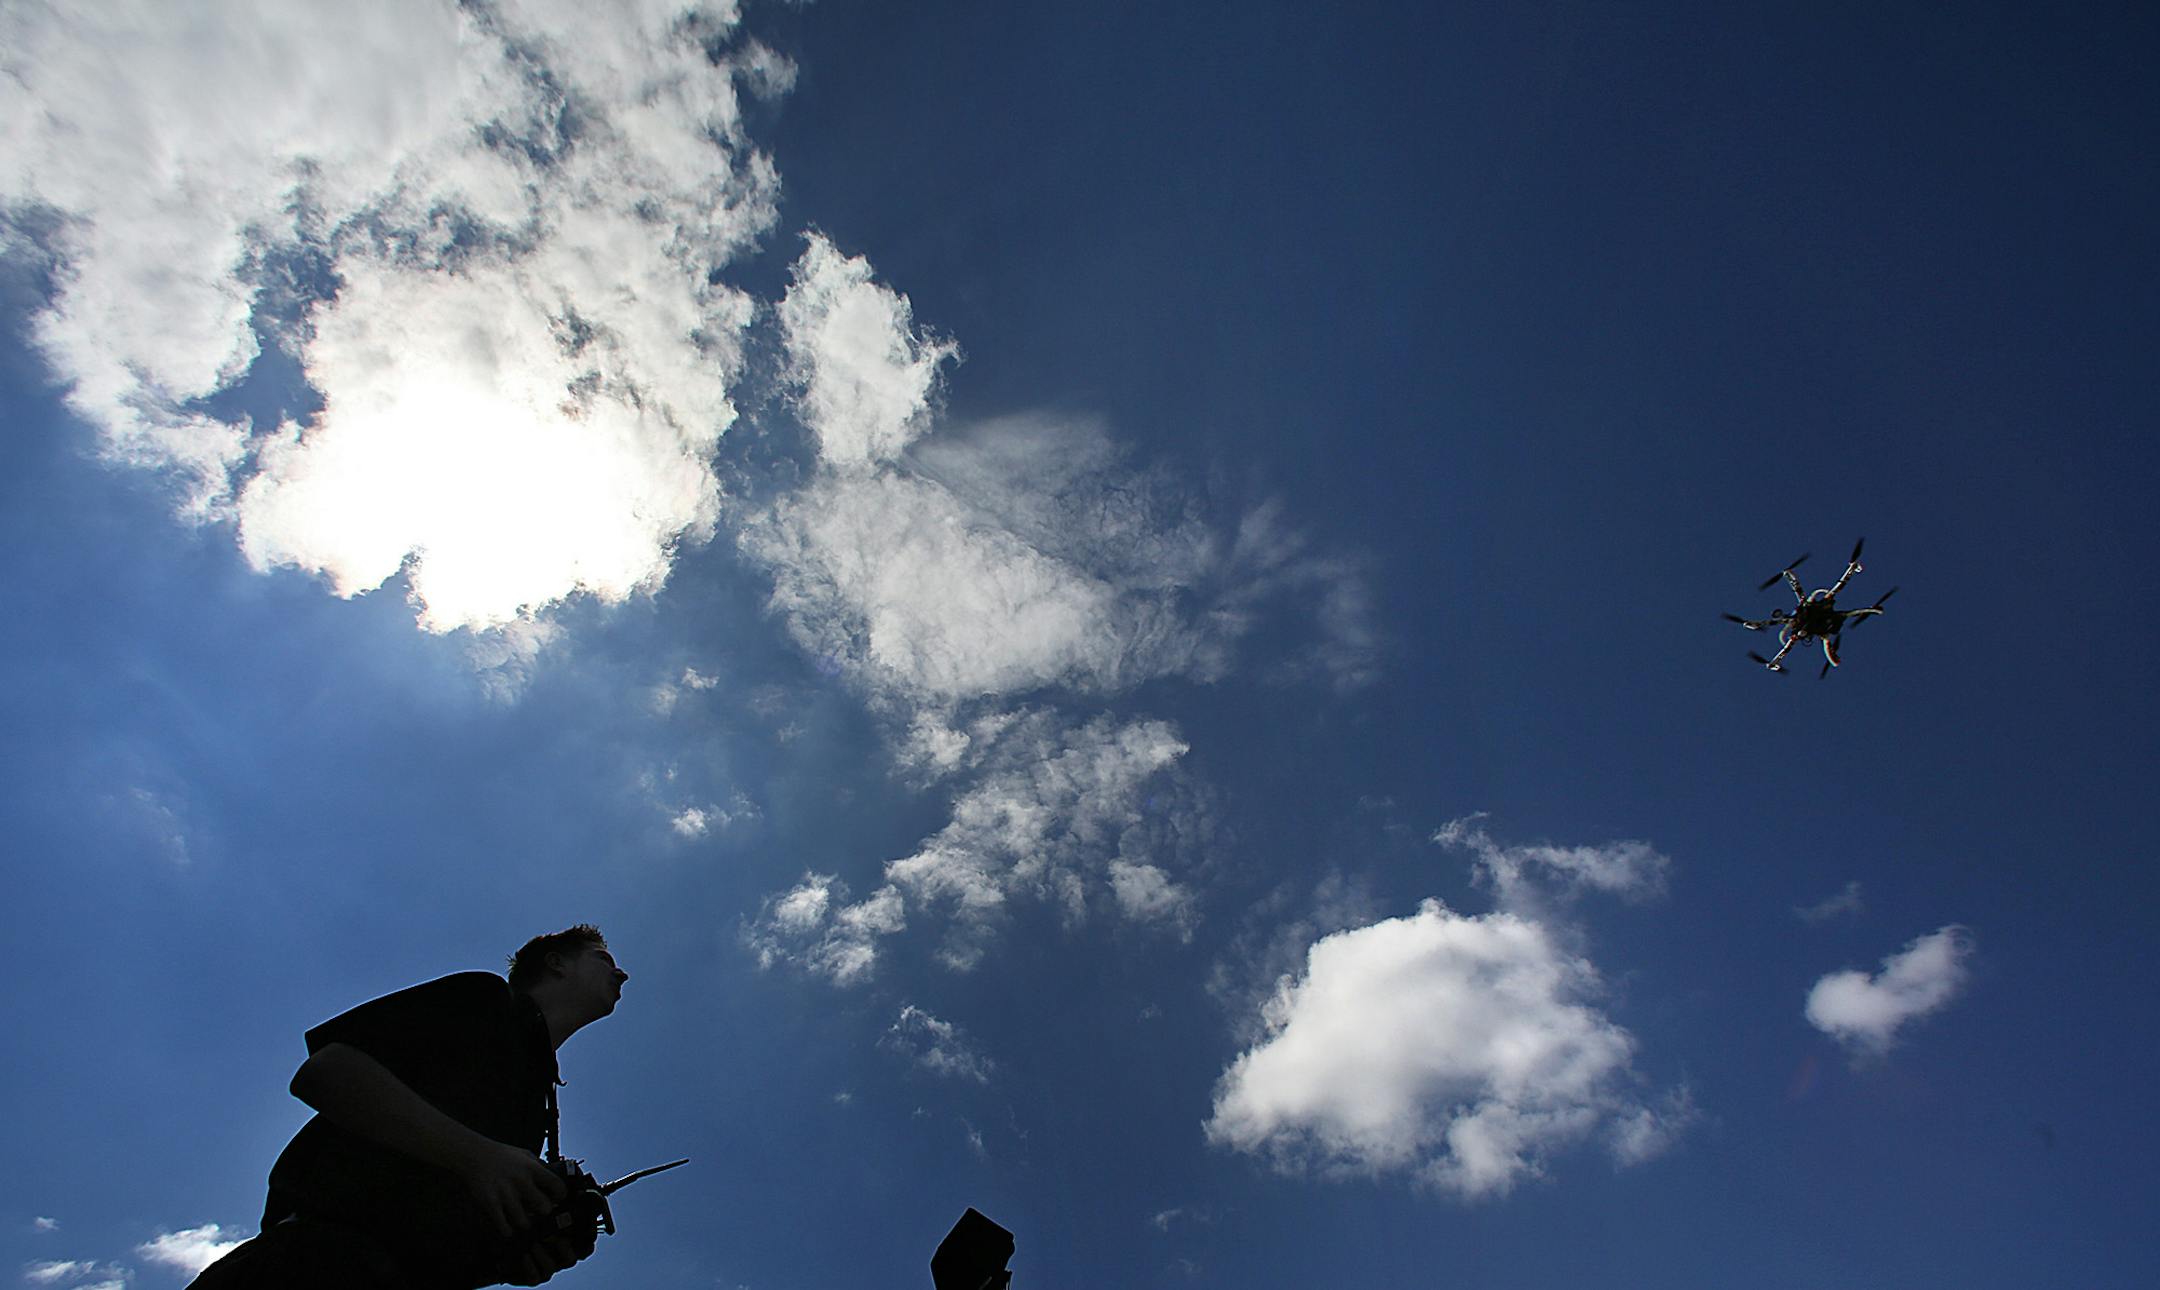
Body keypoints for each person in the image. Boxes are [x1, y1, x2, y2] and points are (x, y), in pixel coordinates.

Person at [188, 925, 632, 1289]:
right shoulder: (486, 999)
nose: (622, 974)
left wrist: (510, 1262)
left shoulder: (537, 1099)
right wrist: (482, 1158)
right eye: (603, 959)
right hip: (306, 1265)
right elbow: (325, 1072)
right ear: (556, 963)